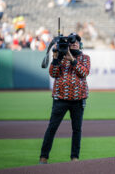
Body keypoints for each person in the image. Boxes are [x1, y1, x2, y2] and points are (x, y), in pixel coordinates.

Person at [39, 34, 91, 164]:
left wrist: (72, 59)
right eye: (72, 43)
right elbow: (53, 73)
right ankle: (43, 157)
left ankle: (75, 158)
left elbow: (83, 72)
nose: (74, 44)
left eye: (77, 42)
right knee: (52, 128)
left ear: (80, 45)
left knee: (77, 130)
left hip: (78, 99)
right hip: (60, 99)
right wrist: (56, 59)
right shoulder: (60, 57)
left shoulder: (85, 58)